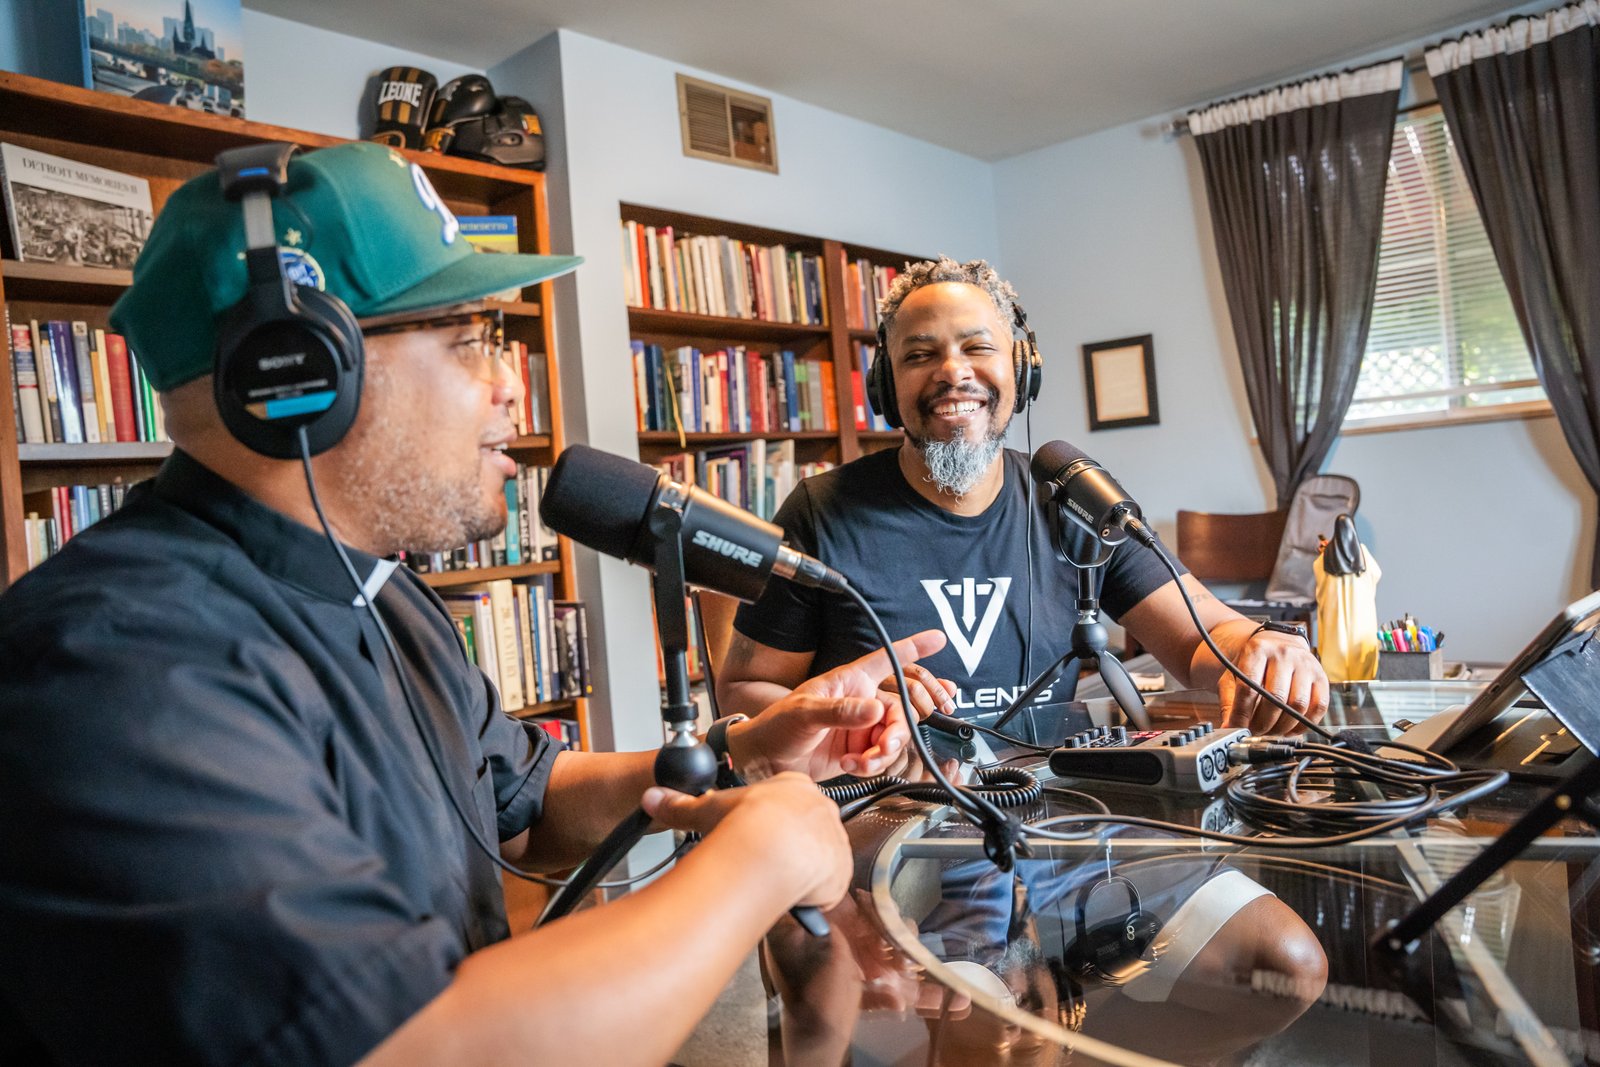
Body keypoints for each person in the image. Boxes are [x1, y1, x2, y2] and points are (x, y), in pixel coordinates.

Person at [0, 142, 942, 1067]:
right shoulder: (111, 667)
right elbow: (417, 1045)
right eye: (468, 342)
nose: (511, 383)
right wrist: (762, 854)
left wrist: (748, 747)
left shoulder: (384, 588)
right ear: (295, 372)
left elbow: (523, 804)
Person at [718, 257, 1329, 736]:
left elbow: (1200, 636)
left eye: (977, 348)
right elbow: (745, 693)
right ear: (886, 385)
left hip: (1047, 811)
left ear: (1022, 370)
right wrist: (845, 703)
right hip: (880, 809)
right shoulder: (822, 512)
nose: (952, 372)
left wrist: (1259, 646)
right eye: (919, 354)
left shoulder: (1074, 499)